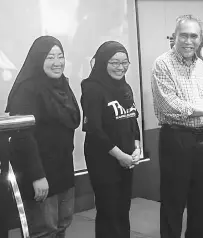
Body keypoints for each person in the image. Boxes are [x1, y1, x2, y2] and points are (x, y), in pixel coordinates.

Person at [151, 14, 203, 238]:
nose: (188, 41)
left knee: (199, 199)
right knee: (173, 200)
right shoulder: (163, 64)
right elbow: (170, 105)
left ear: (200, 39)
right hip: (176, 139)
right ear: (174, 37)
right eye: (183, 35)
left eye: (193, 36)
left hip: (202, 139)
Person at [5, 35, 81, 238]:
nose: (57, 63)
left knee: (62, 223)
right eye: (50, 57)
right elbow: (23, 137)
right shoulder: (27, 89)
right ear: (38, 59)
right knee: (43, 229)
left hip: (62, 168)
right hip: (39, 172)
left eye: (60, 56)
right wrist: (37, 176)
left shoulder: (62, 84)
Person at [81, 41, 141, 238]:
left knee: (123, 208)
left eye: (124, 62)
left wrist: (137, 148)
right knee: (109, 210)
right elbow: (94, 130)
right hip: (104, 159)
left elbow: (133, 118)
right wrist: (119, 155)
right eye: (114, 62)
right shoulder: (92, 89)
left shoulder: (125, 87)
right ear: (102, 63)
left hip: (126, 158)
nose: (120, 67)